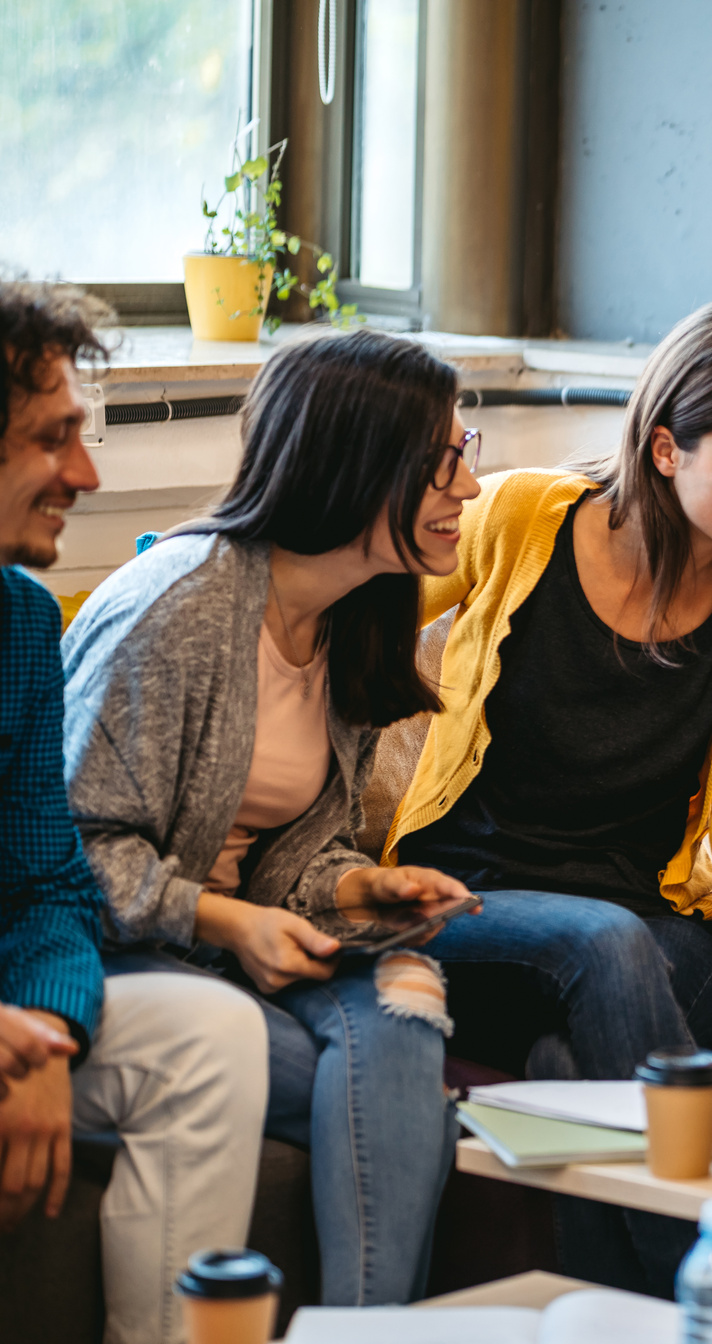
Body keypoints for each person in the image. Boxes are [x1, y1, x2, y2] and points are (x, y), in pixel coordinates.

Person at [379, 300, 712, 1294]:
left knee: (566, 1049)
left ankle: (631, 1315)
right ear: (666, 449)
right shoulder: (524, 520)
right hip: (466, 911)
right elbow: (359, 605)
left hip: (653, 938)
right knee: (597, 950)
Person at [64, 328, 479, 1306]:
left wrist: (357, 884)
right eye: (448, 461)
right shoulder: (179, 610)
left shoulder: (351, 614)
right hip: (132, 955)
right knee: (392, 1096)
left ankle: (369, 1333)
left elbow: (291, 848)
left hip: (233, 950)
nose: (468, 488)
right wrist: (227, 921)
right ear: (359, 463)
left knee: (408, 1014)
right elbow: (73, 849)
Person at [0, 280, 266, 1344]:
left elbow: (48, 882)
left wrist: (50, 1033)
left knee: (209, 1034)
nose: (87, 474)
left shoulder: (19, 620)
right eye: (50, 440)